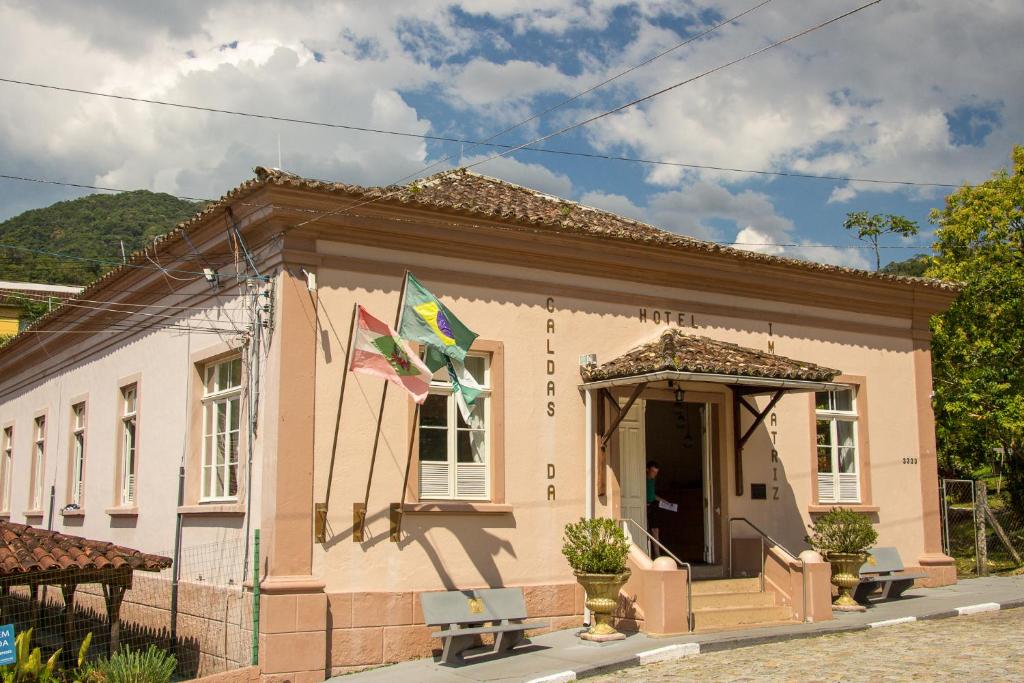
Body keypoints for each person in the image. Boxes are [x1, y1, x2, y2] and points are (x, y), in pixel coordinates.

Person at [646, 460, 670, 558]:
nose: (655, 475)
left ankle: (657, 555)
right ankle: (649, 554)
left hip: (652, 506)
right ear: (647, 470)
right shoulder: (643, 480)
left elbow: (652, 495)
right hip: (645, 506)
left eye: (656, 473)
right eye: (653, 472)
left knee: (655, 530)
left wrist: (663, 501)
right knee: (647, 529)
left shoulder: (652, 480)